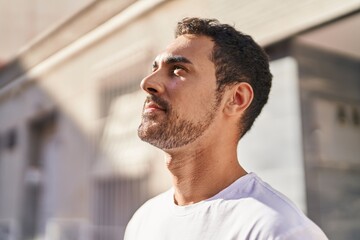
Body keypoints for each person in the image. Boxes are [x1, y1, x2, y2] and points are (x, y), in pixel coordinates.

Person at [124, 17, 328, 240]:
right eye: (155, 68)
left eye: (178, 70)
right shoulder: (144, 220)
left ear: (236, 99)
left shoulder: (278, 230)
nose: (147, 82)